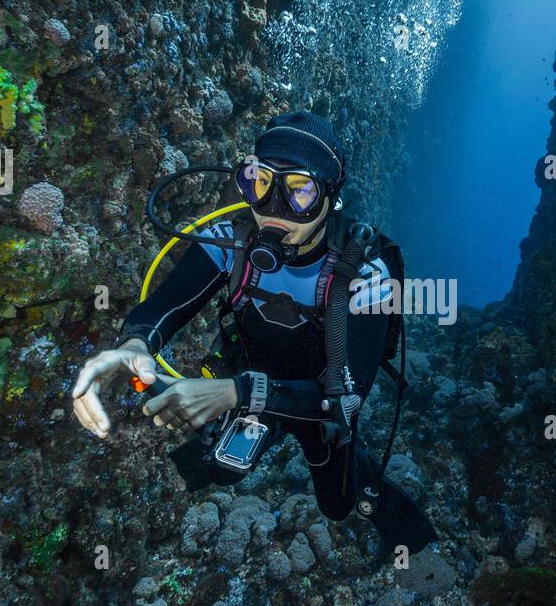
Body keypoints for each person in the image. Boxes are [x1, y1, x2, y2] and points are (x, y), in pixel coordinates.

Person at [72, 111, 436, 553]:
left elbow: (349, 398)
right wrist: (131, 346)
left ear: (332, 197)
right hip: (246, 383)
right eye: (261, 184)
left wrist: (237, 394)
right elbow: (163, 307)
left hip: (320, 403)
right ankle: (257, 425)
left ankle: (367, 480)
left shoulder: (366, 273)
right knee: (220, 470)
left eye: (300, 191)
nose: (274, 212)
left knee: (337, 505)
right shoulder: (230, 239)